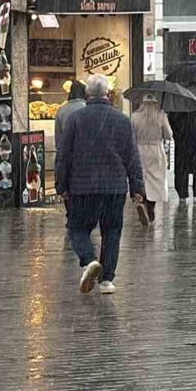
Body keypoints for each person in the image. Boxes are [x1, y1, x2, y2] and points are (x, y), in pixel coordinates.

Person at [55, 74, 145, 295]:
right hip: (114, 186)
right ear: (108, 94)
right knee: (112, 231)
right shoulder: (122, 120)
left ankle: (89, 260)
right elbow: (132, 157)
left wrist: (61, 185)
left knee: (77, 228)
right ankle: (107, 280)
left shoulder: (75, 119)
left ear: (88, 94)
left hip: (82, 186)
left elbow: (64, 155)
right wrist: (137, 187)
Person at [131, 95, 172, 226]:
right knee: (155, 180)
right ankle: (150, 207)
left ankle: (142, 201)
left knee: (141, 178)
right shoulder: (160, 116)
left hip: (139, 150)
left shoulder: (135, 117)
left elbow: (131, 135)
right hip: (156, 150)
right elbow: (169, 135)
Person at [169, 83, 196, 202]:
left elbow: (172, 123)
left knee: (182, 171)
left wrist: (177, 136)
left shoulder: (178, 104)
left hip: (182, 143)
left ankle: (182, 196)